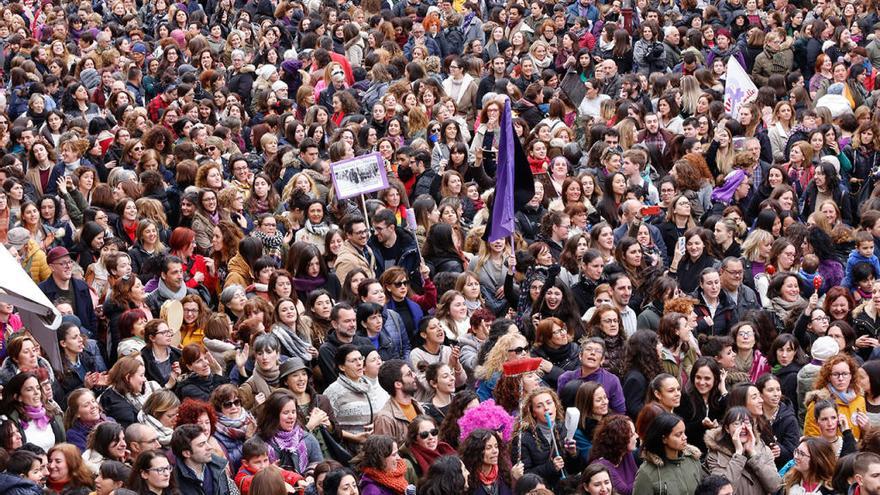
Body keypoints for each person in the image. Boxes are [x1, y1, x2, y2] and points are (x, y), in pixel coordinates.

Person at [511, 388, 582, 490]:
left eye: (549, 403)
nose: (546, 408)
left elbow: (575, 470)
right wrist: (551, 468)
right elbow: (524, 477)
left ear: (555, 406)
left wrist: (573, 454)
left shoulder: (564, 429)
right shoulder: (523, 438)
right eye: (539, 406)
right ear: (533, 413)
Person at [703, 406, 783, 495]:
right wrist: (738, 454)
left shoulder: (763, 449)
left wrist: (753, 454)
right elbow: (721, 490)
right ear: (727, 428)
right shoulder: (715, 455)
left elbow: (775, 486)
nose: (743, 428)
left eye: (747, 423)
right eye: (737, 423)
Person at [631, 413, 702, 495]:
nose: (685, 437)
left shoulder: (693, 460)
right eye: (678, 434)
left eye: (684, 432)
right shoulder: (647, 472)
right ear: (664, 439)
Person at [170, 424, 237, 495]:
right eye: (201, 445)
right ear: (187, 453)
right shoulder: (174, 480)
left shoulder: (219, 468)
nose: (209, 447)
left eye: (206, 442)